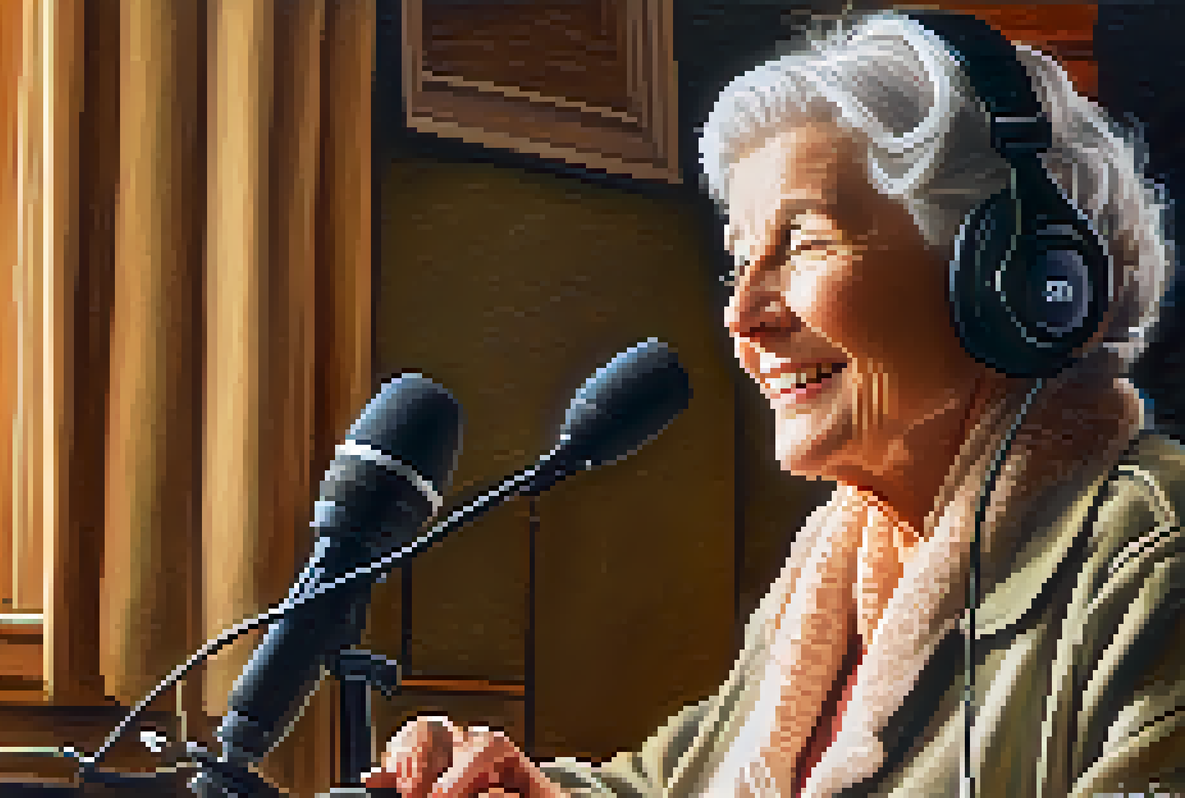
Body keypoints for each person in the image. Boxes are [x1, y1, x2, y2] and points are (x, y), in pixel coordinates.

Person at [363, 11, 1184, 797]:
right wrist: (530, 789)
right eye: (738, 263)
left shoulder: (1149, 566)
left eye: (803, 243)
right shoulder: (841, 557)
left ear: (995, 275)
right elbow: (677, 786)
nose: (742, 313)